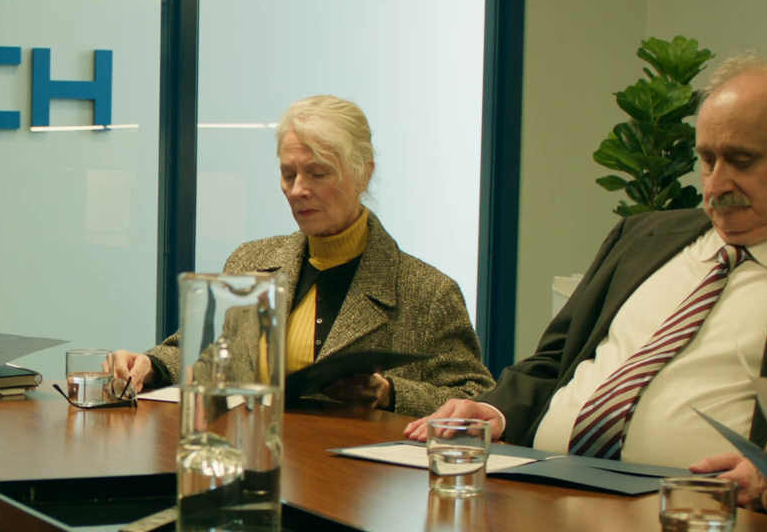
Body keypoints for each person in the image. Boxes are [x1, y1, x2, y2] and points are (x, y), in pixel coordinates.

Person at [407, 54, 767, 478]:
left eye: (742, 160)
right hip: (540, 486)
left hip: (709, 525)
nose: (716, 185)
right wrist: (496, 410)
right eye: (707, 159)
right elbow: (556, 362)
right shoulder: (643, 237)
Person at [108, 95, 492, 415]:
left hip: (355, 477)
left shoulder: (428, 292)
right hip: (254, 455)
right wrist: (151, 365)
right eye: (288, 174)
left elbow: (476, 399)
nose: (297, 190)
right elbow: (206, 354)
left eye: (318, 173)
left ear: (364, 173)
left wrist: (390, 393)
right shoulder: (251, 260)